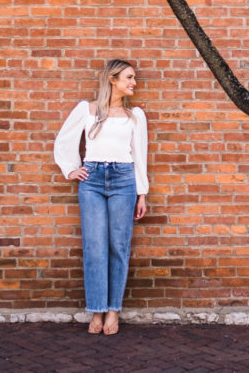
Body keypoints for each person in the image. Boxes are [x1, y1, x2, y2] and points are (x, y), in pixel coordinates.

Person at [54, 59, 149, 335]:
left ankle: (113, 311)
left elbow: (140, 157)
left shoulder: (135, 117)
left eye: (134, 78)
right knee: (94, 247)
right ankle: (96, 310)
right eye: (129, 77)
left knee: (118, 247)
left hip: (124, 181)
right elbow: (64, 140)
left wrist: (141, 193)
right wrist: (71, 169)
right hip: (92, 181)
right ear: (112, 79)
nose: (134, 83)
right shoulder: (88, 110)